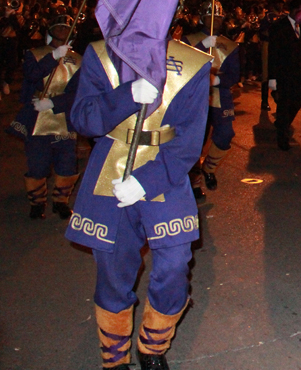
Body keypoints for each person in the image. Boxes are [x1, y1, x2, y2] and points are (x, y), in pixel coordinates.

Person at [66, 37, 211, 370]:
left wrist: (146, 181)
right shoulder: (100, 54)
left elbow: (189, 141)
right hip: (110, 168)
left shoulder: (193, 62)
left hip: (166, 169)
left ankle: (153, 346)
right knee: (114, 271)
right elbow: (84, 120)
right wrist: (127, 96)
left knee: (175, 263)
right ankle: (114, 358)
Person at [7, 15, 81, 219]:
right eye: (57, 26)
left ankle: (61, 202)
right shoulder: (35, 54)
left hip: (63, 117)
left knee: (67, 163)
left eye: (66, 27)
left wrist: (55, 103)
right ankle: (37, 202)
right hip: (37, 115)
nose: (62, 30)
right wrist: (53, 57)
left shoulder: (79, 60)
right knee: (38, 163)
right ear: (50, 30)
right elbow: (31, 76)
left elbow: (79, 92)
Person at [183, 0, 240, 198]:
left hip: (220, 94)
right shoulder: (188, 40)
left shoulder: (230, 45)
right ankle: (194, 180)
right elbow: (182, 65)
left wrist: (217, 80)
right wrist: (201, 46)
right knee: (196, 138)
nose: (214, 20)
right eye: (210, 16)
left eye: (218, 17)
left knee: (225, 135)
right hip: (195, 96)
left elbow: (235, 74)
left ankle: (209, 169)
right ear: (203, 18)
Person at [268, 0, 301, 151]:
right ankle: (282, 137)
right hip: (284, 74)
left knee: (298, 101)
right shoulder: (279, 26)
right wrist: (272, 78)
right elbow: (273, 52)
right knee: (284, 105)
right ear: (293, 11)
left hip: (300, 74)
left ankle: (283, 123)